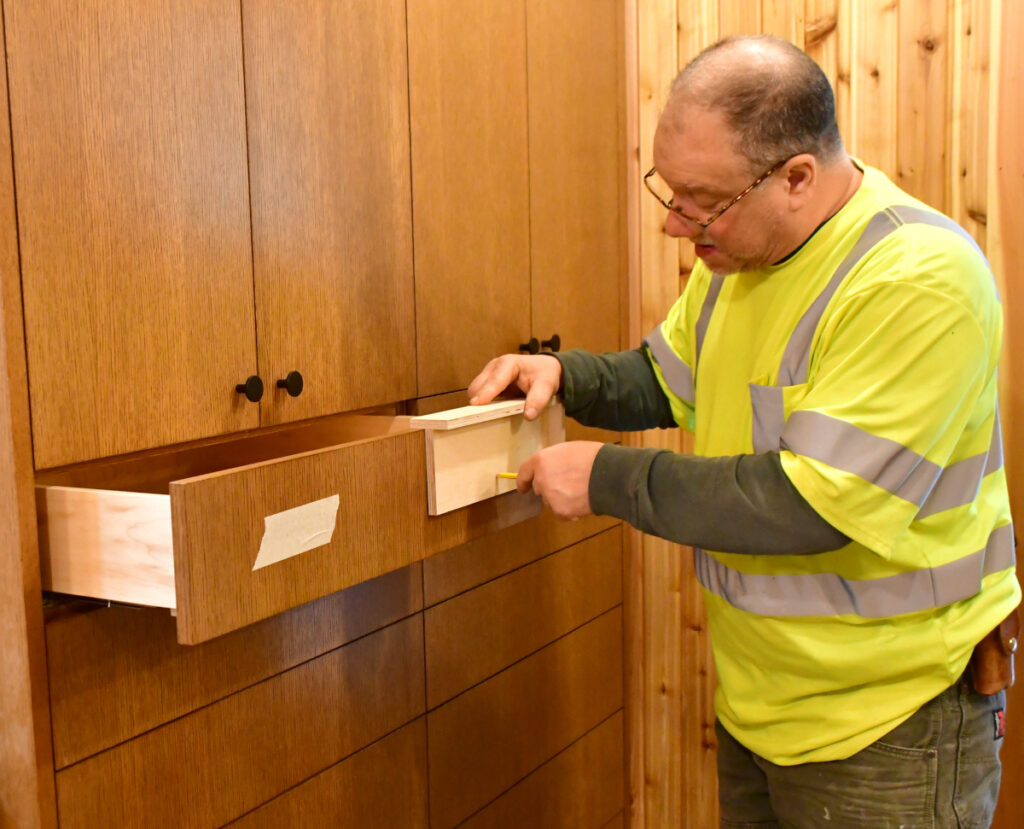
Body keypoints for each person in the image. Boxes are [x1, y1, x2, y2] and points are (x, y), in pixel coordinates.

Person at [468, 34, 1021, 828]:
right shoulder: (740, 261)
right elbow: (665, 379)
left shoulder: (916, 278)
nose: (675, 226)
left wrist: (605, 478)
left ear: (796, 177)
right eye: (670, 191)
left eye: (702, 200)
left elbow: (810, 504)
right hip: (764, 706)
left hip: (894, 723)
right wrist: (566, 375)